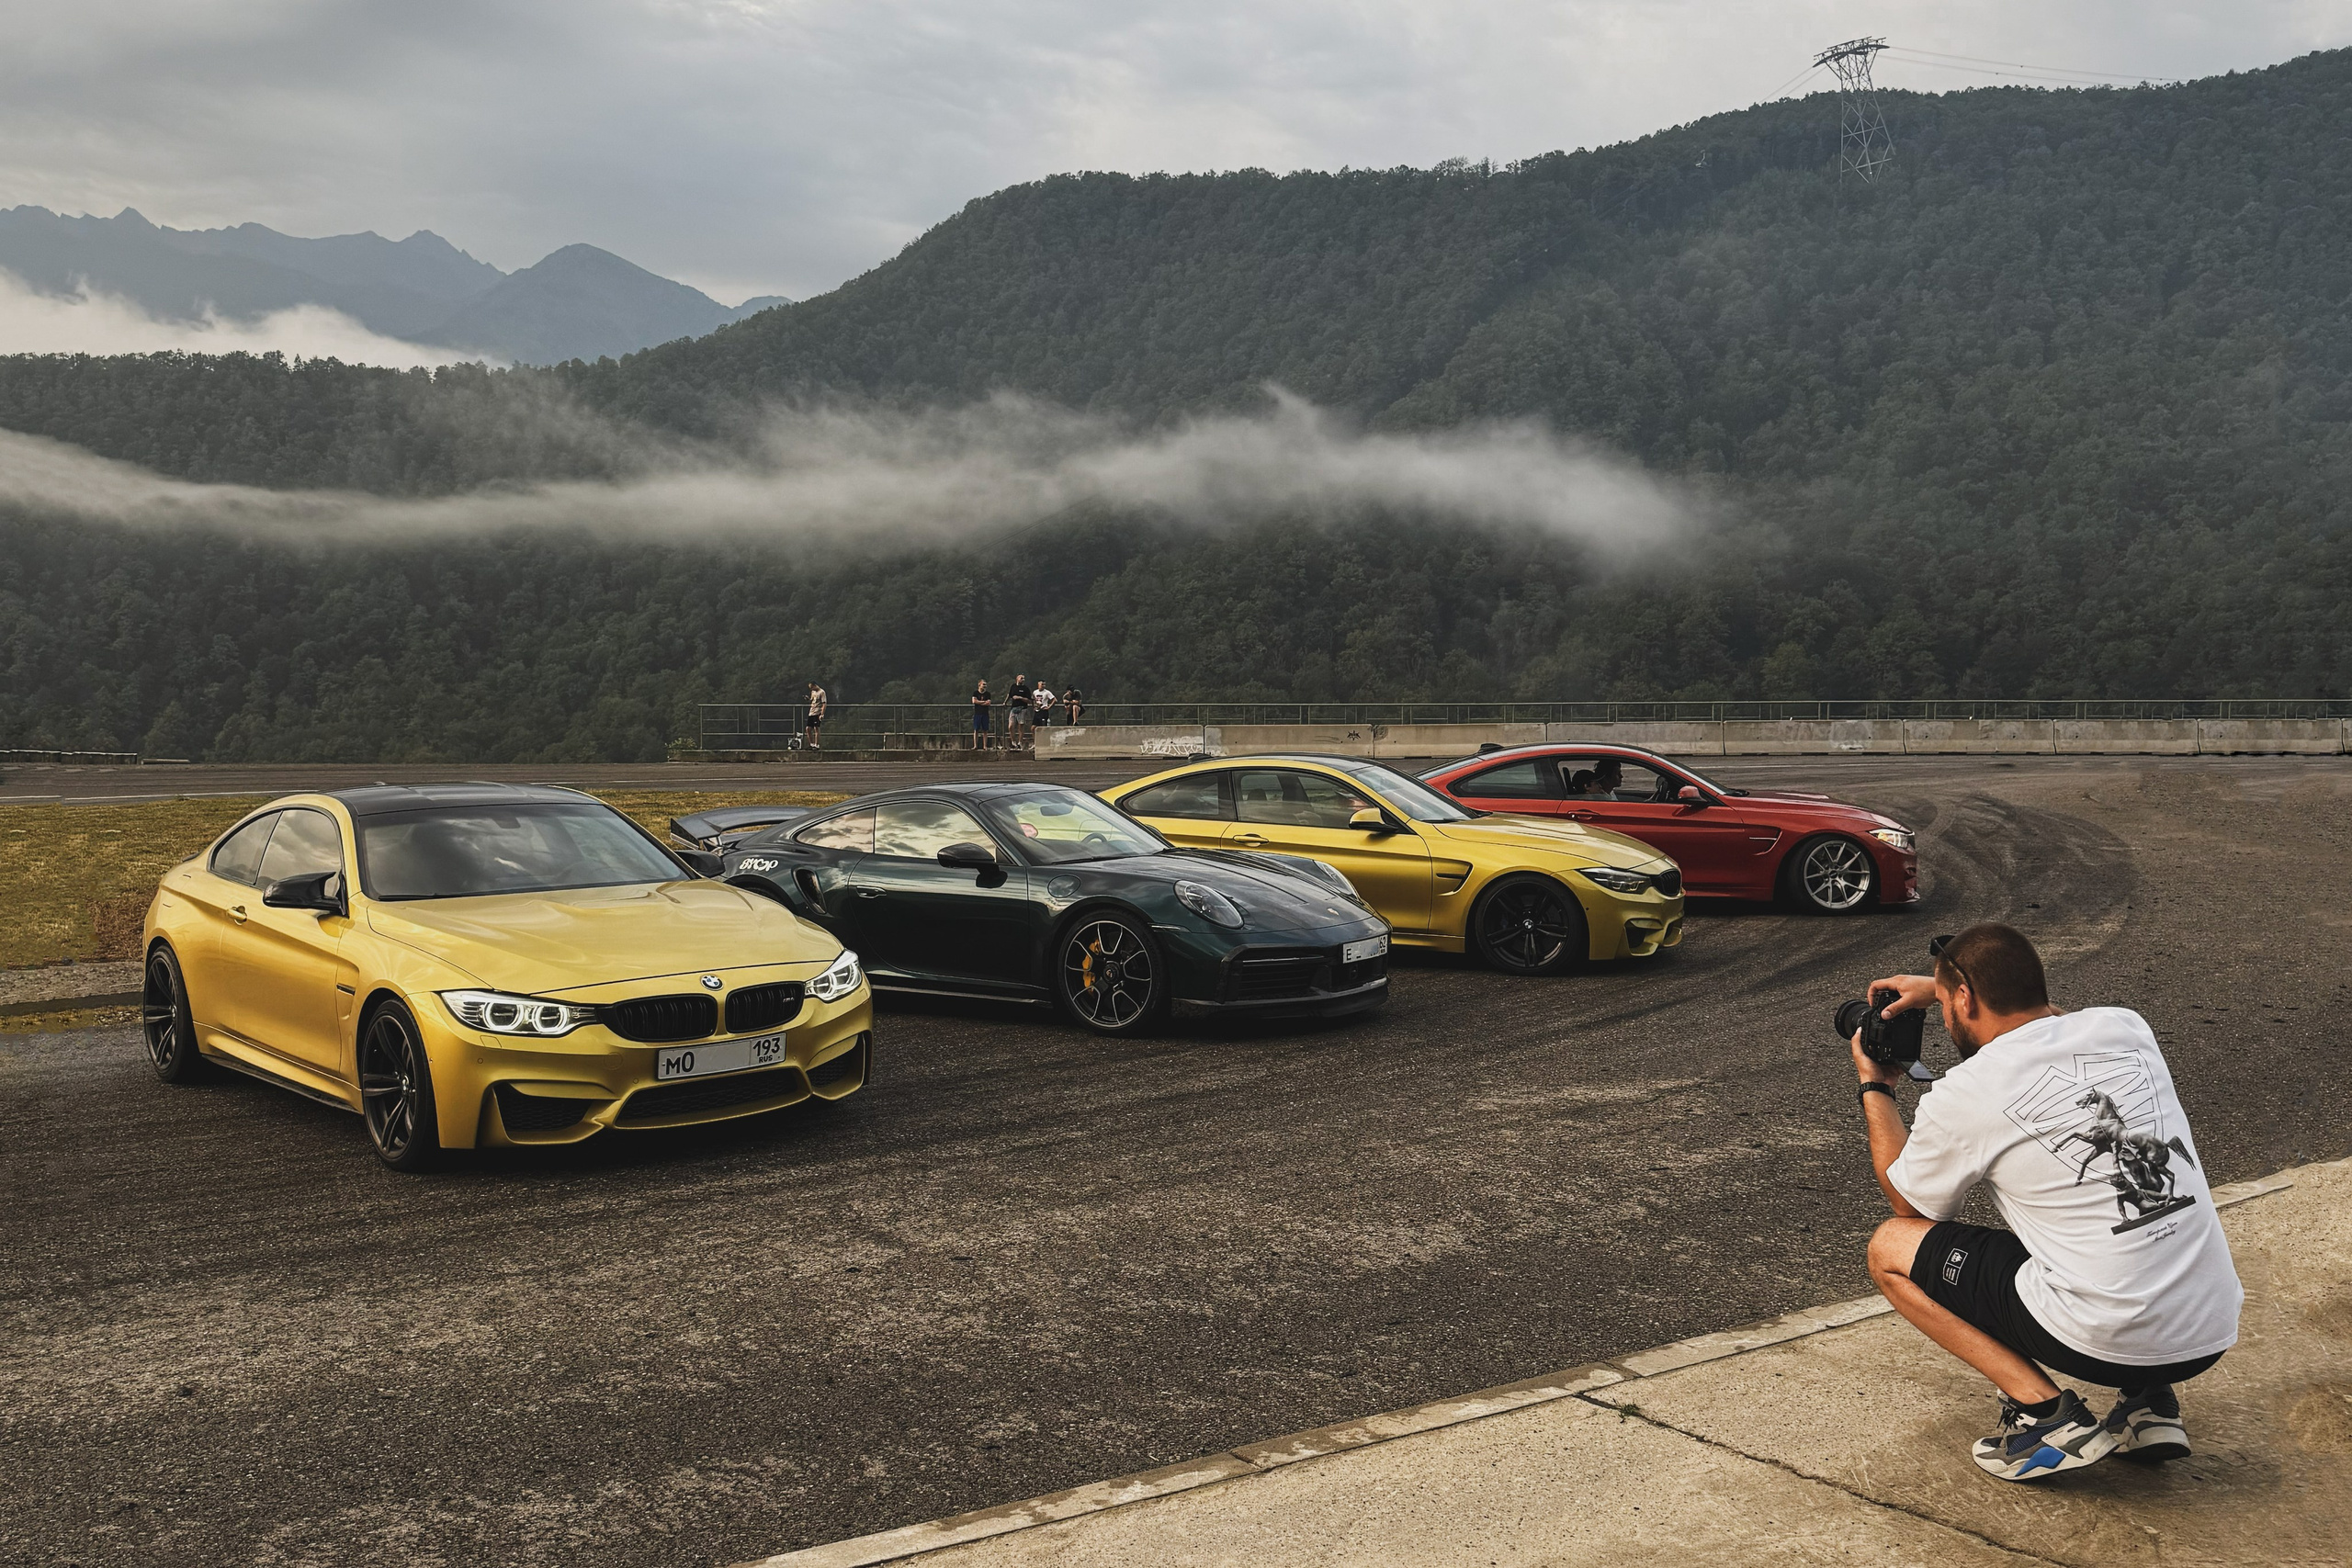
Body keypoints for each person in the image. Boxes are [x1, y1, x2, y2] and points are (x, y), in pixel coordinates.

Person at [1852, 923, 2241, 1483]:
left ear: (1964, 998)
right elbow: (2044, 1017)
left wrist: (1876, 1084)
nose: (1941, 1018)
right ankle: (2150, 1407)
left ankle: (2049, 1418)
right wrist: (1942, 985)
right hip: (2209, 1330)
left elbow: (1910, 1204)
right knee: (2109, 1219)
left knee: (1890, 1248)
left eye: (1944, 1004)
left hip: (2103, 1340)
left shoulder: (1966, 1092)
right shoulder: (2126, 1027)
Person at [1008, 673, 1034, 748]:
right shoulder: (1013, 686)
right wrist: (1005, 702)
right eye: (1021, 678)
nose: (1023, 679)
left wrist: (1020, 698)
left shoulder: (1025, 688)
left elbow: (1029, 700)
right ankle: (1013, 742)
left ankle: (1019, 742)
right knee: (1010, 726)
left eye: (1024, 678)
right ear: (1017, 678)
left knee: (1020, 726)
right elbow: (1009, 695)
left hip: (1022, 709)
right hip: (1013, 708)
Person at [970, 678, 992, 750]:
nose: (985, 686)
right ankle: (975, 745)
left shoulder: (988, 694)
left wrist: (979, 702)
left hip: (985, 714)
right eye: (983, 684)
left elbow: (988, 703)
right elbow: (974, 701)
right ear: (979, 685)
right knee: (976, 730)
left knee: (985, 730)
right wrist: (983, 702)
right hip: (977, 713)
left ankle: (985, 746)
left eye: (985, 685)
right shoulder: (975, 693)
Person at [804, 681, 827, 750]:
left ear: (815, 685)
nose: (811, 689)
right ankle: (812, 744)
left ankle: (817, 745)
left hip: (818, 712)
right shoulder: (813, 692)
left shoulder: (822, 692)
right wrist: (808, 699)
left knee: (816, 728)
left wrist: (822, 714)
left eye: (812, 687)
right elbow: (812, 700)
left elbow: (824, 703)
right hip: (812, 711)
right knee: (808, 728)